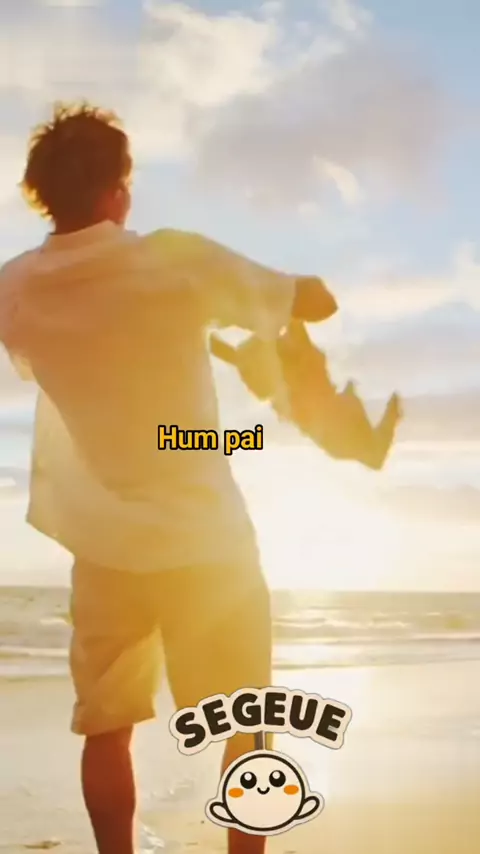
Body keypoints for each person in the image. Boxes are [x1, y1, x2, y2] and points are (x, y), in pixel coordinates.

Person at [0, 102, 338, 854]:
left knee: (107, 728)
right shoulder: (175, 259)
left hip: (102, 543)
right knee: (246, 720)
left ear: (41, 195)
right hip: (205, 540)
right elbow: (313, 301)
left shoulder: (15, 286)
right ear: (117, 190)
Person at [210, 320, 402, 470]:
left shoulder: (300, 377)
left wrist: (391, 413)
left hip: (317, 410)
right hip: (320, 413)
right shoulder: (303, 374)